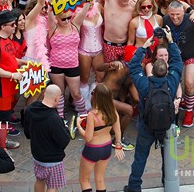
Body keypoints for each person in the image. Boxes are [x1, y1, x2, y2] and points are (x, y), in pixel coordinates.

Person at [124, 27, 182, 192]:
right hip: (167, 126)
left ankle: (134, 186)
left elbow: (133, 67)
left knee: (140, 158)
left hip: (146, 127)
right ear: (166, 72)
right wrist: (170, 41)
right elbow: (177, 62)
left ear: (152, 71)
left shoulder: (144, 84)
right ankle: (167, 181)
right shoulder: (171, 81)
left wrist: (144, 47)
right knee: (168, 156)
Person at [77, 83, 124, 192]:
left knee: (84, 180)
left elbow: (88, 137)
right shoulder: (113, 111)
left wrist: (79, 126)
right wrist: (118, 145)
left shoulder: (92, 115)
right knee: (100, 180)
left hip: (92, 149)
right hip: (106, 147)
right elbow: (117, 130)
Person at [24, 84, 71, 192]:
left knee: (40, 180)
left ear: (44, 94)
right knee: (52, 186)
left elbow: (27, 133)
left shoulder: (31, 109)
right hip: (53, 159)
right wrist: (65, 129)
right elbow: (63, 140)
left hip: (37, 155)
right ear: (57, 98)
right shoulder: (54, 119)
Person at [0, 10, 24, 137]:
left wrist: (25, 62)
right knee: (3, 118)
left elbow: (11, 58)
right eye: (12, 25)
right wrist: (13, 75)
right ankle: (2, 144)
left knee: (5, 115)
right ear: (3, 27)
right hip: (1, 87)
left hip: (9, 84)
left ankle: (2, 139)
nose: (15, 27)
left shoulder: (6, 39)